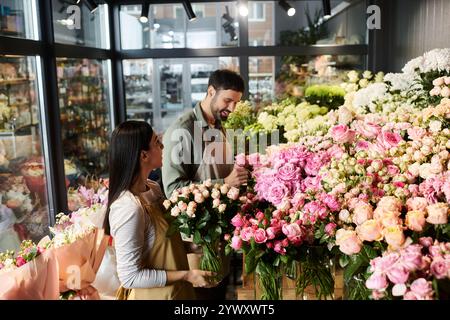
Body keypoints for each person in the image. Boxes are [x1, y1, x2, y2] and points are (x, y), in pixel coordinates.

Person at [161, 69, 249, 300]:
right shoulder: (183, 130)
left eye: (236, 103)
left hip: (220, 239)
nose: (231, 108)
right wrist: (225, 183)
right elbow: (173, 191)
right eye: (227, 100)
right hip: (198, 245)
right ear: (211, 91)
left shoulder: (219, 125)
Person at [104, 121, 215, 300]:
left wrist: (194, 246)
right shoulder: (129, 208)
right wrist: (186, 275)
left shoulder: (153, 188)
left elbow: (162, 245)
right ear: (143, 155)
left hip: (177, 293)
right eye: (157, 142)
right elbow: (129, 277)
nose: (163, 147)